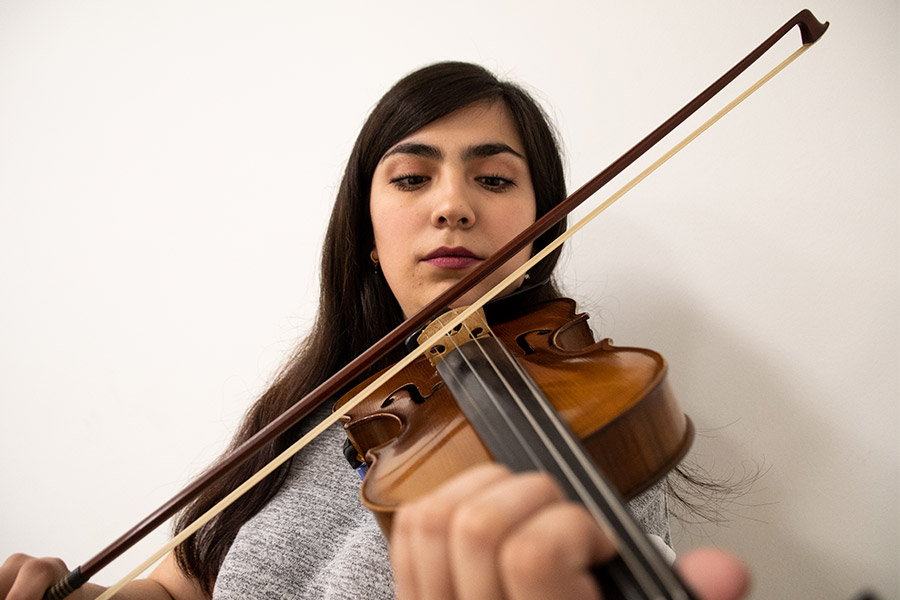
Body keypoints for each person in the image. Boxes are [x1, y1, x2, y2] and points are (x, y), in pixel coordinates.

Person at [0, 62, 749, 600]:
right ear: (368, 231)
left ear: (539, 228)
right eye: (411, 177)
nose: (452, 205)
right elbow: (180, 583)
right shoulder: (312, 406)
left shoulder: (591, 420)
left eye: (493, 179)